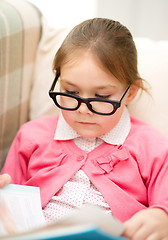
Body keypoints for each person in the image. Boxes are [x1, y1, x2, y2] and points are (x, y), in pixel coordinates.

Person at [1, 18, 168, 240]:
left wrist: (162, 217)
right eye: (71, 92)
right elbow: (10, 204)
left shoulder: (152, 145)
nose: (83, 110)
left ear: (130, 93)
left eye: (102, 96)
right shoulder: (31, 136)